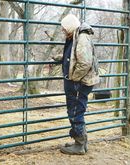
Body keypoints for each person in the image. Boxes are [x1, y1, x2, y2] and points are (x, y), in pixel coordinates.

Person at [53, 14, 100, 155]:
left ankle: (79, 145)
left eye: (64, 29)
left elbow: (84, 62)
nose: (63, 31)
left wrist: (74, 78)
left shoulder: (81, 38)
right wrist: (61, 58)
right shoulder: (76, 36)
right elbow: (75, 55)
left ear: (70, 27)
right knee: (76, 110)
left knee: (75, 112)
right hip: (78, 82)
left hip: (79, 82)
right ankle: (81, 142)